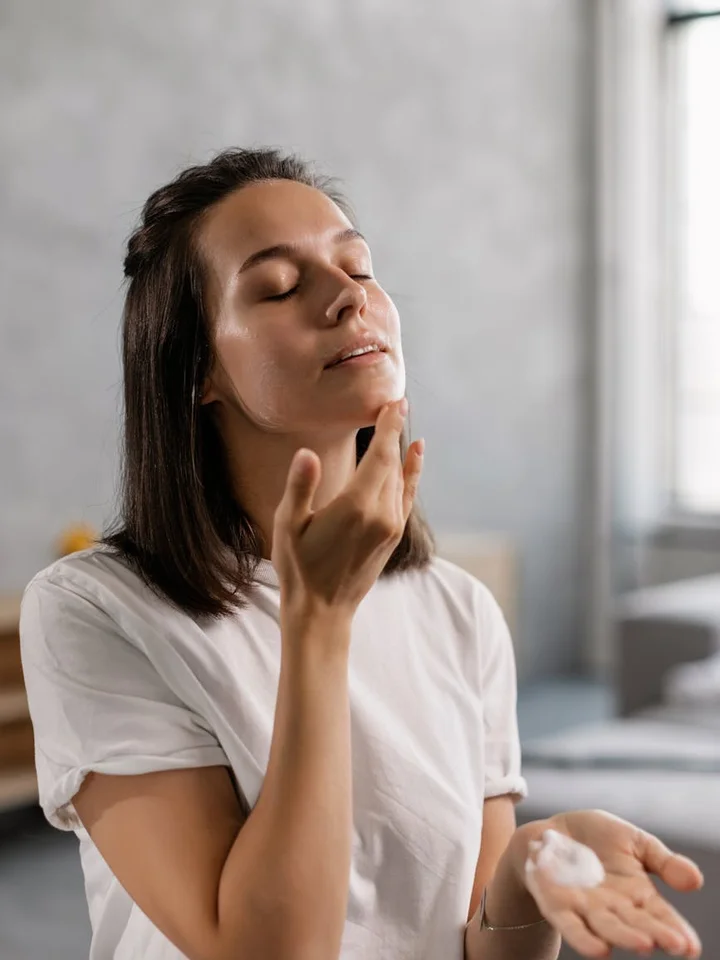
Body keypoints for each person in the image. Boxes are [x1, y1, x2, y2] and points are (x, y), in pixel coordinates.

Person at [19, 148, 704, 960]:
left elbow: (476, 942)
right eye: (278, 286)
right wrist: (319, 626)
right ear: (197, 367)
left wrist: (527, 868)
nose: (349, 296)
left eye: (358, 266)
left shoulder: (459, 610)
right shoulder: (94, 610)